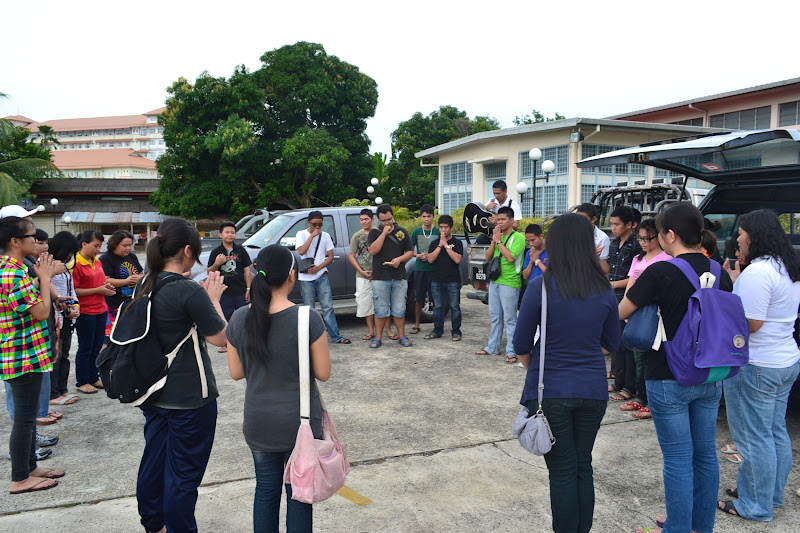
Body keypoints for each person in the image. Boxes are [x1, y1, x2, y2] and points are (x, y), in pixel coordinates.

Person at [620, 202, 733, 533]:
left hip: (668, 376)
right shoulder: (721, 272)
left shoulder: (660, 271)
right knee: (705, 456)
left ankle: (677, 529)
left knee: (678, 460)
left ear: (670, 235)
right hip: (711, 373)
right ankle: (699, 526)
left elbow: (623, 311)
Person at [513, 213, 620, 533]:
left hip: (551, 391)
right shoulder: (604, 289)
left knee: (561, 470)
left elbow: (521, 343)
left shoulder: (540, 287)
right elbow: (612, 342)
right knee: (582, 466)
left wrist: (537, 369)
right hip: (593, 389)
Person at [225, 244, 331, 533]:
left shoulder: (239, 318)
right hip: (300, 424)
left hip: (259, 421)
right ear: (292, 276)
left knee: (265, 489)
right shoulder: (307, 318)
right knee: (299, 493)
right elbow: (323, 373)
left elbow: (236, 373)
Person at [135, 217, 227, 533]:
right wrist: (213, 299)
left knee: (154, 460)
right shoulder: (188, 290)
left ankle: (153, 522)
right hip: (189, 397)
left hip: (151, 391)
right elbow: (221, 338)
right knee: (183, 475)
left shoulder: (145, 283)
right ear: (188, 251)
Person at [717, 209, 800, 522]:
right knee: (774, 431)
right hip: (785, 360)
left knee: (753, 438)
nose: (737, 239)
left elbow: (750, 323)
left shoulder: (758, 272)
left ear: (754, 236)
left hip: (757, 364)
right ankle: (769, 494)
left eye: (741, 233)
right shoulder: (787, 266)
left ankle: (755, 505)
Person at [0, 216, 65, 495]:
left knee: (26, 418)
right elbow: (41, 312)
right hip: (21, 355)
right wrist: (46, 278)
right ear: (15, 242)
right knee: (25, 420)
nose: (36, 241)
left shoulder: (13, 268)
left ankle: (30, 468)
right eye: (31, 237)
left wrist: (41, 278)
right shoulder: (12, 273)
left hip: (28, 352)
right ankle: (19, 478)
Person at [619, 219, 671, 420]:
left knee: (654, 359)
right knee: (638, 358)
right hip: (636, 312)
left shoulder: (666, 258)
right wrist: (626, 309)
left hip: (655, 313)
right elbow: (630, 285)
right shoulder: (638, 259)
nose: (643, 242)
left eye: (647, 239)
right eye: (640, 238)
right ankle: (640, 396)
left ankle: (651, 401)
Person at [476, 206, 525, 363]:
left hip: (510, 282)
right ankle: (492, 347)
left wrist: (499, 241)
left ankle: (512, 351)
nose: (500, 222)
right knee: (495, 317)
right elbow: (488, 257)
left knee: (510, 318)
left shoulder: (518, 238)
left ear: (511, 220)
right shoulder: (498, 236)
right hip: (495, 281)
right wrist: (494, 241)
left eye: (503, 219)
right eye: (498, 220)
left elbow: (511, 258)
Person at [296, 211, 349, 344]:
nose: (317, 227)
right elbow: (301, 251)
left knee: (328, 307)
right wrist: (312, 236)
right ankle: (310, 339)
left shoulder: (325, 236)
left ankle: (336, 336)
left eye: (320, 224)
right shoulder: (301, 234)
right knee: (309, 309)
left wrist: (319, 267)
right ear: (308, 223)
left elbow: (330, 256)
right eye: (314, 224)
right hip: (306, 277)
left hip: (321, 275)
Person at [72, 230, 115, 394]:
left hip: (100, 309)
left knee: (97, 345)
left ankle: (93, 376)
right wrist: (98, 290)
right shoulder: (76, 263)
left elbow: (101, 282)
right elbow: (74, 290)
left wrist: (106, 287)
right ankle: (82, 380)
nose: (98, 249)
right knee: (85, 346)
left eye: (99, 246)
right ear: (84, 244)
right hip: (85, 310)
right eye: (95, 246)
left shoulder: (97, 262)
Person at [607, 206, 641, 402]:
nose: (613, 228)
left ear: (629, 224)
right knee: (617, 342)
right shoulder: (614, 244)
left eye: (617, 224)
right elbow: (608, 268)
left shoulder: (636, 245)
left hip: (627, 298)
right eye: (611, 224)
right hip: (612, 297)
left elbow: (635, 276)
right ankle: (619, 382)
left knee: (627, 344)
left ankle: (630, 386)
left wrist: (613, 284)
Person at [367, 204, 414, 348]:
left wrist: (399, 259)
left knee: (399, 308)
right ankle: (378, 338)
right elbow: (373, 251)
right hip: (380, 277)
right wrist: (384, 233)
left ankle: (402, 336)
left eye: (389, 219)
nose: (387, 223)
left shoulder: (402, 232)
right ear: (378, 220)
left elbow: (410, 251)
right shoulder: (374, 233)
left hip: (399, 276)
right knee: (380, 309)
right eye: (383, 220)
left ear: (393, 217)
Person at [349, 208, 397, 341]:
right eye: (361, 219)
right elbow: (351, 256)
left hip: (380, 274)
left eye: (366, 219)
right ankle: (371, 331)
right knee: (366, 304)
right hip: (363, 275)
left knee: (383, 303)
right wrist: (361, 271)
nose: (364, 222)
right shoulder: (357, 236)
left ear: (372, 219)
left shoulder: (379, 233)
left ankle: (388, 330)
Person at [207, 221, 251, 351]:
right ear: (220, 234)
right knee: (225, 318)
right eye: (227, 232)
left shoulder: (241, 250)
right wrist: (217, 263)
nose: (230, 235)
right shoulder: (216, 252)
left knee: (243, 317)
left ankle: (244, 342)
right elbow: (209, 272)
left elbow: (247, 271)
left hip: (240, 291)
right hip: (224, 292)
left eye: (232, 232)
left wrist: (249, 288)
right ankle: (227, 344)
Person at [48, 232, 81, 407]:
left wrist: (75, 306)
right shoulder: (49, 267)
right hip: (57, 318)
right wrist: (65, 310)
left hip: (68, 317)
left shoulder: (65, 268)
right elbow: (49, 294)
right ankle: (53, 393)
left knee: (65, 355)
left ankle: (62, 389)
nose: (70, 256)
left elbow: (71, 290)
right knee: (56, 356)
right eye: (69, 252)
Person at [100, 230, 143, 347]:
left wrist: (139, 278)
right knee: (109, 337)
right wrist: (126, 281)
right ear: (115, 245)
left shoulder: (132, 257)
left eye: (130, 245)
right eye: (124, 246)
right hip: (113, 305)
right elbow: (105, 280)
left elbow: (141, 272)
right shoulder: (106, 259)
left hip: (130, 303)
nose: (128, 248)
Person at [424, 215, 463, 341]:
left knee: (454, 306)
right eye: (441, 227)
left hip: (453, 280)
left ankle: (456, 331)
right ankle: (437, 330)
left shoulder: (457, 243)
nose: (443, 230)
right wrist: (440, 245)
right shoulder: (434, 243)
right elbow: (430, 259)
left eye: (446, 227)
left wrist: (446, 245)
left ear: (451, 228)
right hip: (437, 279)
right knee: (438, 306)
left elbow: (457, 259)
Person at [409, 204, 439, 335]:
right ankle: (417, 324)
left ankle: (437, 325)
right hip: (420, 268)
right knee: (419, 297)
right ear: (421, 217)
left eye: (429, 216)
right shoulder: (416, 232)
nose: (426, 219)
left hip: (434, 268)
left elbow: (442, 248)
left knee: (435, 297)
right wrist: (418, 255)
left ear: (433, 217)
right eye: (424, 216)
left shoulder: (438, 231)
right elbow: (409, 251)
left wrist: (431, 256)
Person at [575, 203, 610, 269]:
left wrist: (594, 257)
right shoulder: (572, 234)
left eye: (583, 219)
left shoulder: (602, 238)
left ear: (593, 219)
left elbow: (604, 268)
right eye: (577, 219)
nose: (579, 222)